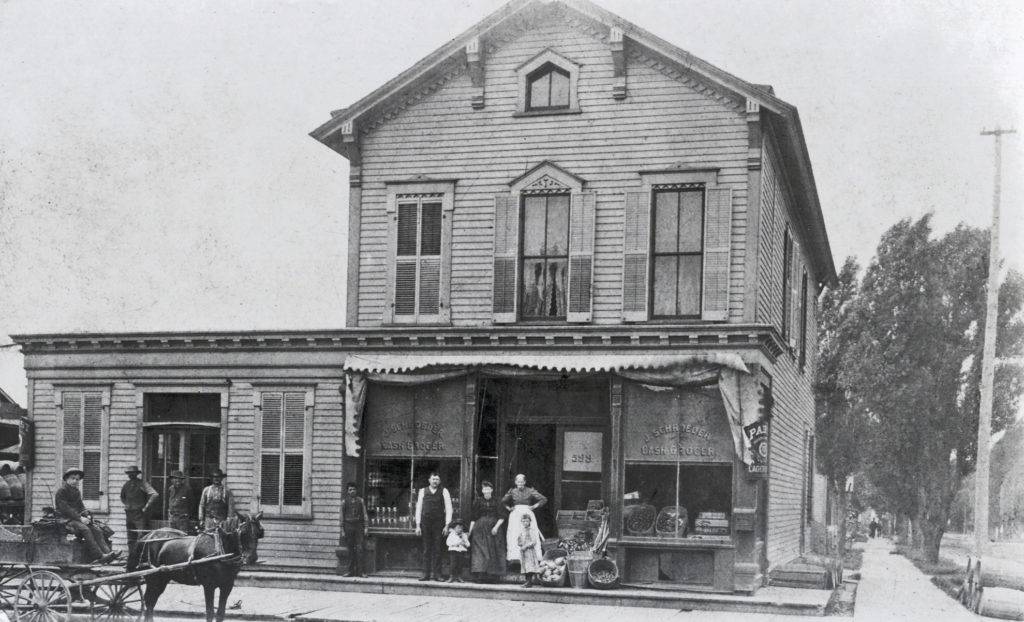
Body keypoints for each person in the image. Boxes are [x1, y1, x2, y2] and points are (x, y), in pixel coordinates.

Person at [54, 467, 119, 563]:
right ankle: (99, 556)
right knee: (85, 529)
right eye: (73, 478)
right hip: (65, 519)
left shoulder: (76, 491)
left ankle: (109, 554)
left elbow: (80, 506)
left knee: (97, 530)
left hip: (75, 518)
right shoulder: (61, 491)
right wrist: (80, 518)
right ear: (66, 479)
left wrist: (86, 514)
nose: (75, 481)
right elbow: (66, 509)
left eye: (77, 479)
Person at [414, 472, 452, 581]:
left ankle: (437, 574)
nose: (435, 481)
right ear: (429, 480)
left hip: (438, 523)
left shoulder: (444, 491)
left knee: (438, 548)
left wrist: (447, 525)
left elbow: (449, 508)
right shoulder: (422, 491)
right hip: (425, 523)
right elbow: (418, 508)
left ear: (439, 481)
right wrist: (418, 525)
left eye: (437, 479)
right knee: (426, 549)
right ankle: (425, 574)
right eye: (433, 479)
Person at [502, 474, 546, 564]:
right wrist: (509, 508)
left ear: (525, 482)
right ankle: (515, 558)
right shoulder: (512, 491)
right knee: (515, 534)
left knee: (529, 534)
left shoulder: (530, 490)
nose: (520, 484)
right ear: (515, 482)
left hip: (527, 514)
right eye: (518, 482)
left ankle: (532, 558)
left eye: (522, 482)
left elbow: (543, 499)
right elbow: (503, 501)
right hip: (515, 515)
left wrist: (534, 506)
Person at [468, 480, 505, 582]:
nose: (486, 491)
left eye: (488, 489)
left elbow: (502, 517)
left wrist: (496, 527)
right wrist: (470, 532)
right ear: (482, 491)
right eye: (484, 489)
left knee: (494, 551)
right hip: (480, 529)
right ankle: (480, 576)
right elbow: (473, 518)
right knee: (480, 551)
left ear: (492, 490)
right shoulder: (478, 501)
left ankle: (493, 577)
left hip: (493, 529)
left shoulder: (497, 501)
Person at [120, 466, 158, 552]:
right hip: (129, 514)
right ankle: (131, 557)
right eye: (129, 473)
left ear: (136, 474)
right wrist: (128, 505)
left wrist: (146, 507)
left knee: (142, 536)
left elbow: (154, 494)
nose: (130, 475)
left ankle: (141, 557)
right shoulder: (126, 485)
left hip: (139, 514)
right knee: (130, 537)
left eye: (132, 473)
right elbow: (122, 497)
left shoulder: (142, 484)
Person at [339, 482, 368, 577]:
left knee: (360, 549)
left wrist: (366, 527)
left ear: (356, 490)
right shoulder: (344, 502)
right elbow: (341, 517)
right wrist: (342, 530)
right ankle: (350, 571)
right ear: (347, 491)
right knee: (350, 549)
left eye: (354, 489)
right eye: (350, 489)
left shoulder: (361, 501)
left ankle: (361, 572)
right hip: (348, 526)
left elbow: (365, 514)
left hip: (358, 526)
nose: (352, 491)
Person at [516, 514, 542, 588]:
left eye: (527, 521)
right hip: (523, 552)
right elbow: (519, 541)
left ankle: (529, 582)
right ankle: (527, 581)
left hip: (529, 551)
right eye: (523, 521)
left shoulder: (531, 531)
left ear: (530, 521)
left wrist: (526, 546)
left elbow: (534, 541)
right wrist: (519, 542)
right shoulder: (522, 531)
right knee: (525, 566)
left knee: (529, 566)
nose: (525, 523)